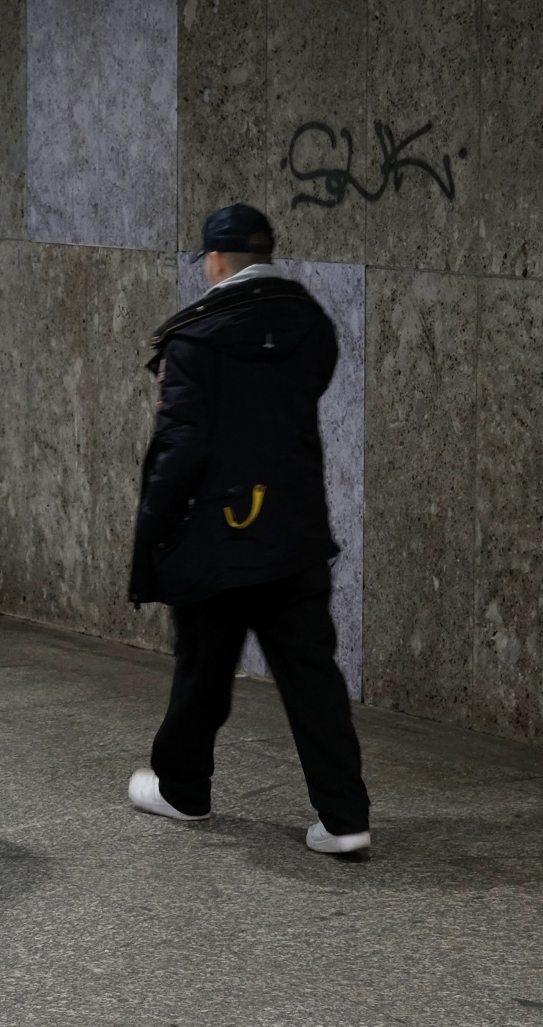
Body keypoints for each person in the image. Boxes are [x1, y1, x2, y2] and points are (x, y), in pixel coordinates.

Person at [126, 204, 371, 856]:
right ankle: (345, 818)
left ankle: (183, 787)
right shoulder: (310, 324)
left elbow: (180, 447)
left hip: (220, 535)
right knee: (311, 676)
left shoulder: (193, 339)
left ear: (214, 260)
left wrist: (153, 532)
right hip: (294, 530)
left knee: (204, 669)